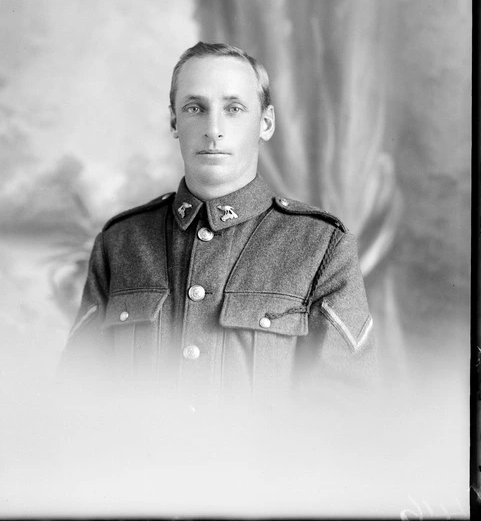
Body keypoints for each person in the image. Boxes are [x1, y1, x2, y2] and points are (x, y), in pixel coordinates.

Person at [60, 42, 377, 409]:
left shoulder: (320, 246)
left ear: (266, 123)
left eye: (234, 109)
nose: (213, 129)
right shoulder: (121, 243)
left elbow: (345, 412)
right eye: (195, 108)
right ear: (174, 122)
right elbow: (77, 398)